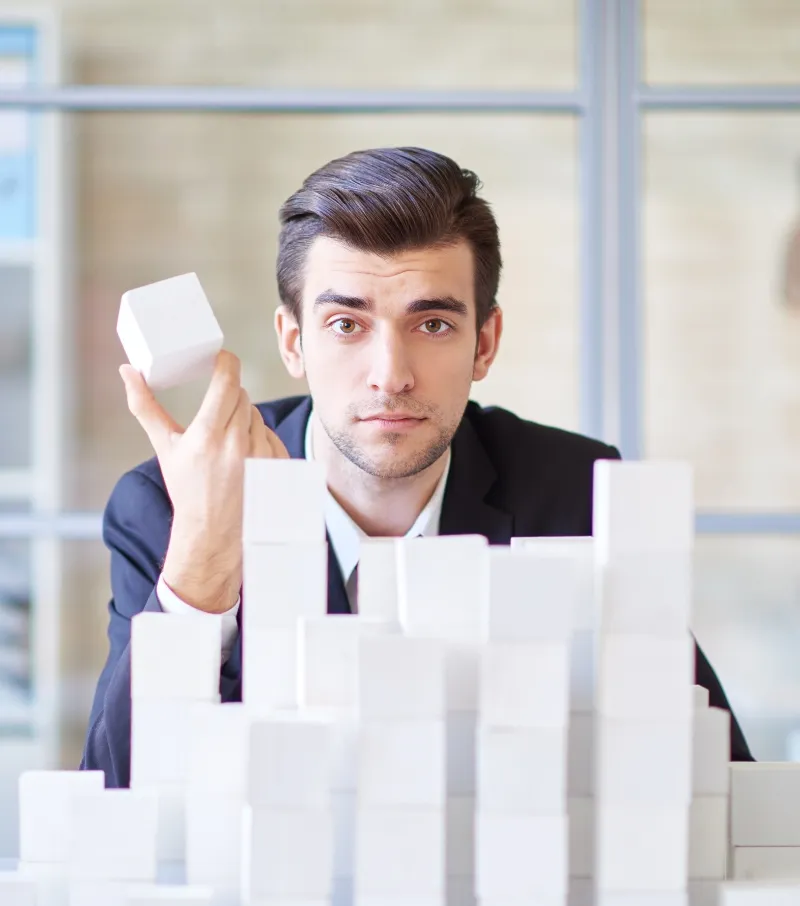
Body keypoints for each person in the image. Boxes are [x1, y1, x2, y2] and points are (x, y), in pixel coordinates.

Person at [82, 146, 751, 788]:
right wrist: (203, 559)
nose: (391, 376)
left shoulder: (576, 492)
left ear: (484, 344)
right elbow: (114, 797)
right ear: (294, 343)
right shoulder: (166, 506)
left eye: (431, 325)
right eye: (347, 325)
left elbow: (717, 774)